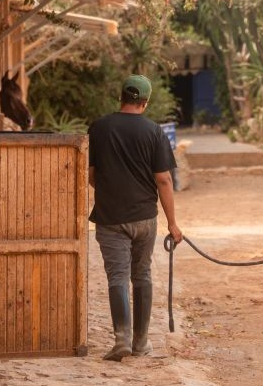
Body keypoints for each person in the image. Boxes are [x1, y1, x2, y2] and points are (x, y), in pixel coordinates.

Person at [88, 74, 183, 362]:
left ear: (122, 98)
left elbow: (91, 175)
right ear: (145, 102)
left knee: (117, 277)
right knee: (141, 276)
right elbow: (164, 180)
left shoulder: (99, 128)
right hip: (145, 218)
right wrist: (173, 223)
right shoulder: (154, 132)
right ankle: (141, 343)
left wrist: (111, 189)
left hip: (110, 218)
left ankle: (122, 340)